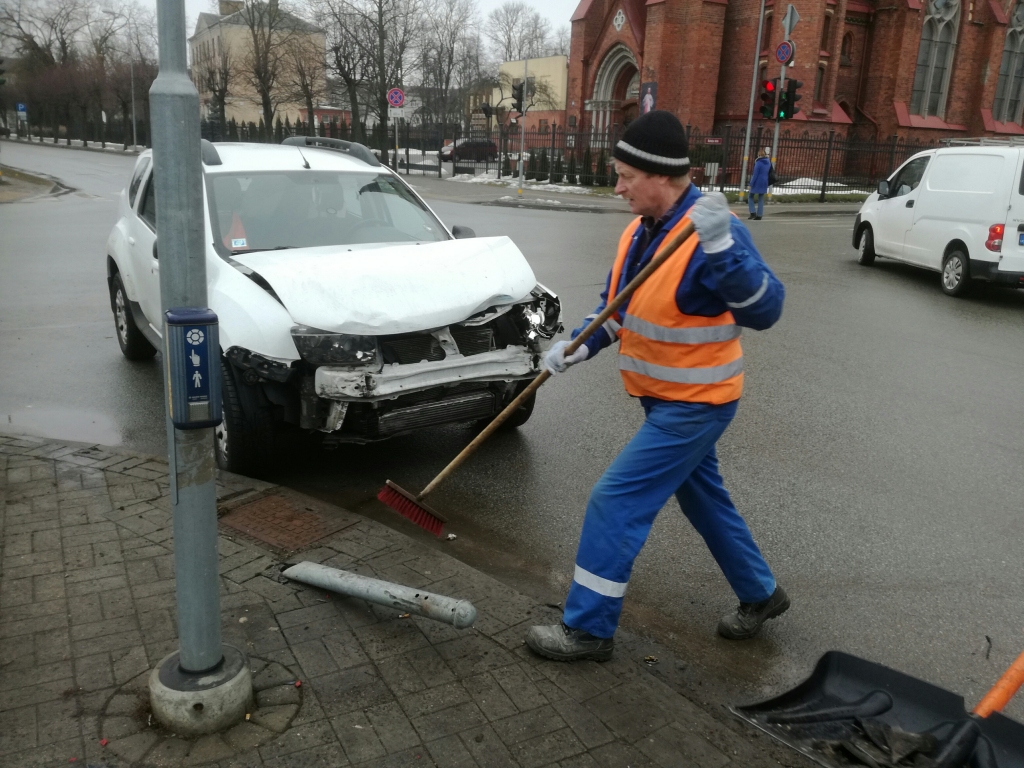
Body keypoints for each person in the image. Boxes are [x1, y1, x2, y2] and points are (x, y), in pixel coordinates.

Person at [525, 110, 789, 662]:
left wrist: (723, 250)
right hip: (663, 400)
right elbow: (617, 310)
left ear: (663, 177)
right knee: (704, 499)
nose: (617, 186)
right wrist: (577, 347)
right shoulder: (640, 231)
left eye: (625, 175)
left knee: (613, 502)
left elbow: (766, 309)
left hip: (696, 404)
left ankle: (589, 630)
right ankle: (761, 594)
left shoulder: (712, 232)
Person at [748, 148, 772, 220]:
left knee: (750, 196)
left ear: (758, 155)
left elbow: (755, 175)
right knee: (761, 198)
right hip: (764, 181)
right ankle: (759, 215)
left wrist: (751, 184)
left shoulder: (758, 163)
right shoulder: (768, 162)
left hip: (757, 182)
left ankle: (752, 212)